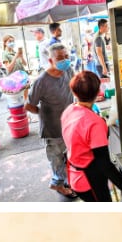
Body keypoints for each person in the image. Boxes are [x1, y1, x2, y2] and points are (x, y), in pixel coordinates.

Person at [61, 71, 122, 202]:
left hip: (74, 175)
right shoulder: (95, 123)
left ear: (74, 92)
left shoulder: (69, 111)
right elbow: (104, 164)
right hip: (89, 181)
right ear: (98, 93)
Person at [25, 43, 77, 199]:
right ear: (50, 60)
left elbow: (74, 88)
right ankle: (58, 184)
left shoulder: (68, 70)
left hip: (69, 124)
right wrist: (44, 113)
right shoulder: (42, 81)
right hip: (52, 128)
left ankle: (67, 179)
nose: (65, 60)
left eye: (66, 56)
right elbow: (29, 105)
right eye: (60, 58)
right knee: (56, 158)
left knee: (68, 155)